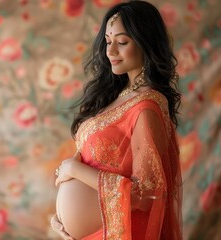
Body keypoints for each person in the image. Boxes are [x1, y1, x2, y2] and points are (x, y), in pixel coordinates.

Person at [51, 1, 183, 239]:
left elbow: (145, 196)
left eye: (122, 42)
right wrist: (60, 219)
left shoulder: (146, 107)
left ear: (146, 43)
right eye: (108, 42)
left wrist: (73, 169)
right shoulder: (117, 97)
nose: (110, 51)